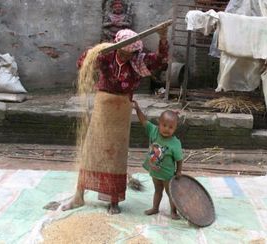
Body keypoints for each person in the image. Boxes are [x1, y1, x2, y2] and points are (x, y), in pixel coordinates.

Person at [62, 27, 169, 214]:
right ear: (117, 47)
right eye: (124, 52)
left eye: (131, 53)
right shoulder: (106, 56)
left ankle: (114, 200)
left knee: (116, 155)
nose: (127, 56)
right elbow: (83, 63)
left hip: (122, 109)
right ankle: (79, 196)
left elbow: (160, 61)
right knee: (91, 151)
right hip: (102, 106)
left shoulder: (138, 60)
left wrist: (162, 36)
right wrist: (93, 52)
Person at [133, 101, 183, 220]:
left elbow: (179, 159)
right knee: (157, 190)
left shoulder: (174, 143)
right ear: (159, 124)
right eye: (164, 125)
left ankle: (174, 212)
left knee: (170, 192)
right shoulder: (154, 131)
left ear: (175, 128)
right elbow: (143, 121)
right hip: (155, 171)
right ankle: (155, 208)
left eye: (171, 127)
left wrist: (179, 171)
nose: (167, 129)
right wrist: (137, 109)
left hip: (167, 174)